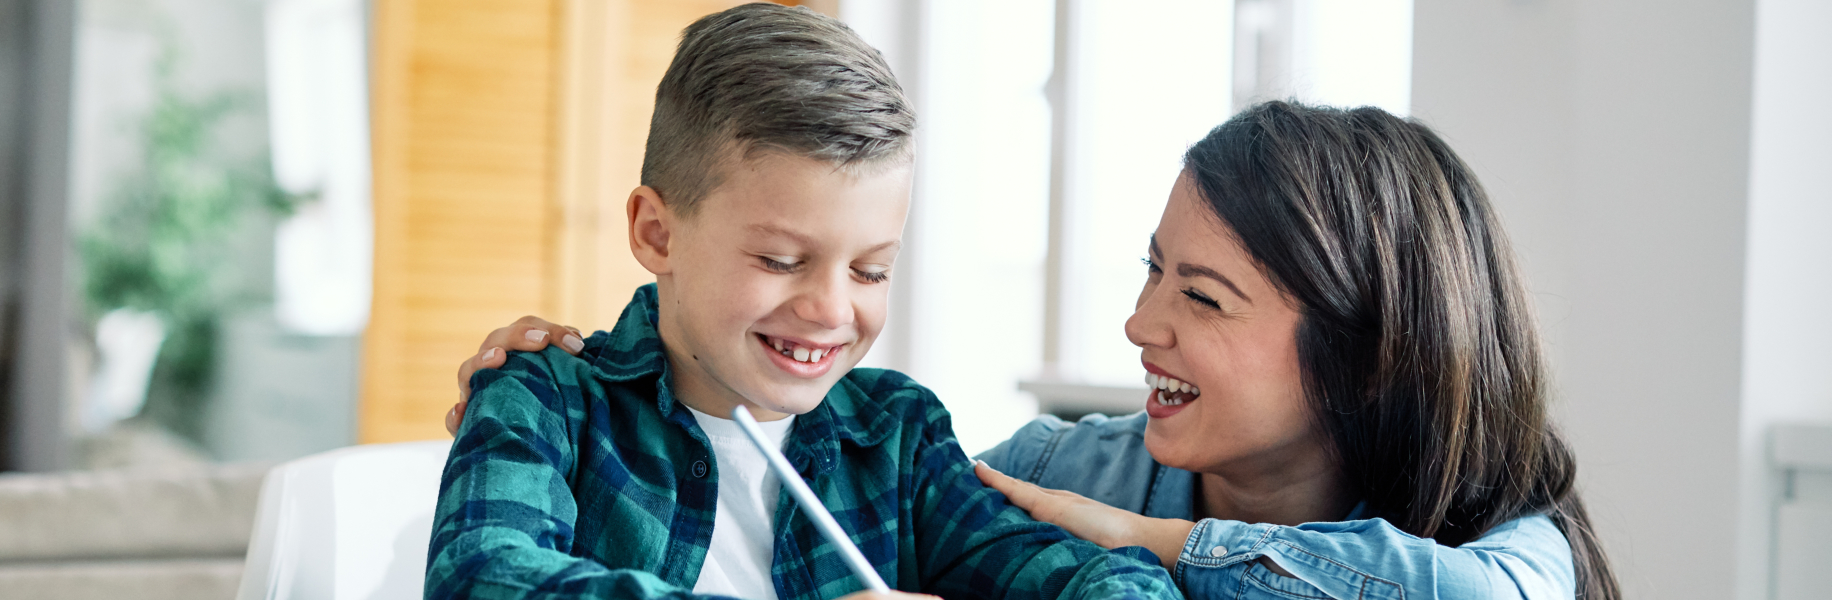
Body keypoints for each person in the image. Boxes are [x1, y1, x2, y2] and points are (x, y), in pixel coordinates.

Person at [451, 102, 1621, 599]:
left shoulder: (1503, 541)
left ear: (1370, 356)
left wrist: (1160, 545)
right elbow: (929, 506)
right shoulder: (1062, 477)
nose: (1139, 326)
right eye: (1149, 270)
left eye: (1203, 296)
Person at [424, 4, 1175, 600]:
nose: (828, 309)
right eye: (781, 261)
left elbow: (1113, 582)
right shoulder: (545, 397)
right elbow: (481, 580)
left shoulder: (897, 437)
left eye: (871, 272)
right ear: (657, 234)